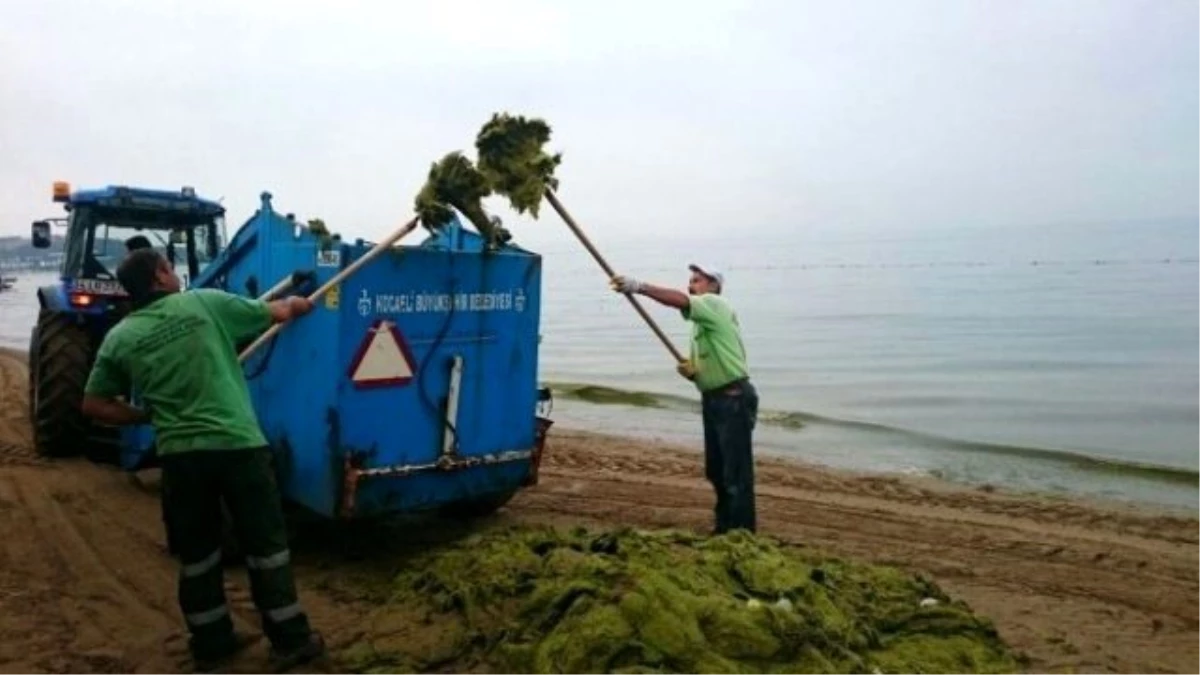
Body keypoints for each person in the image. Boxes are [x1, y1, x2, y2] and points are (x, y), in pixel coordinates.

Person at [80, 248, 326, 673]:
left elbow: (94, 404)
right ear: (158, 277)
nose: (174, 274)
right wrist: (305, 303)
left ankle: (212, 643)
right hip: (238, 448)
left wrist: (144, 415)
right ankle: (291, 640)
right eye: (168, 268)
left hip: (180, 458)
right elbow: (279, 311)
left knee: (198, 554)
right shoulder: (202, 303)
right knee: (265, 546)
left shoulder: (120, 337)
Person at [610, 263, 758, 535]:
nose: (692, 285)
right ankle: (725, 527)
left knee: (735, 474)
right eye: (690, 281)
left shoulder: (716, 303)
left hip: (733, 398)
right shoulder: (701, 325)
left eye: (698, 280)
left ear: (714, 285)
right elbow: (717, 359)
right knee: (716, 471)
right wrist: (695, 374)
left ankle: (741, 533)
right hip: (714, 399)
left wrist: (639, 287)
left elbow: (678, 299)